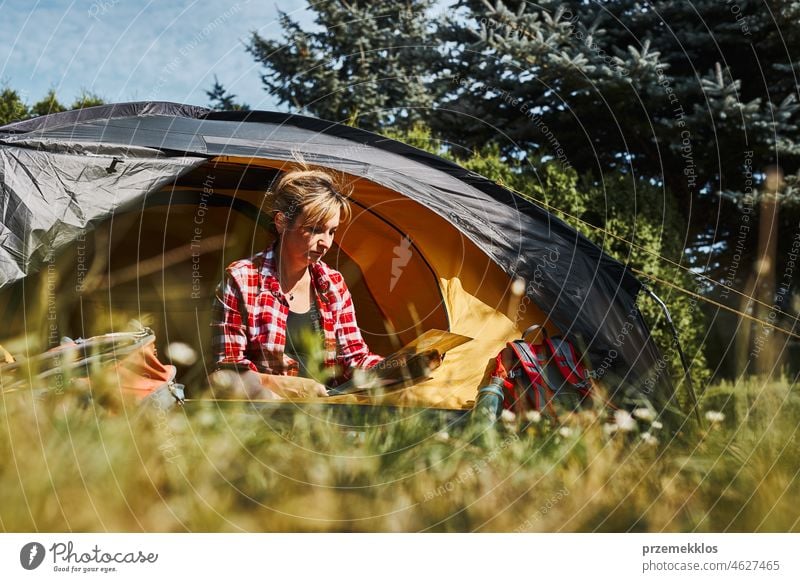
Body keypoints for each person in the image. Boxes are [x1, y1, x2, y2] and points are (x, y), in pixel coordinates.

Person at [209, 166, 383, 400]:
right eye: (314, 230)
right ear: (281, 222)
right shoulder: (242, 279)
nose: (326, 243)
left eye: (332, 232)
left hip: (327, 414)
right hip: (262, 415)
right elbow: (226, 372)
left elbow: (356, 359)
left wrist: (399, 368)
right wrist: (288, 387)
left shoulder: (333, 284)